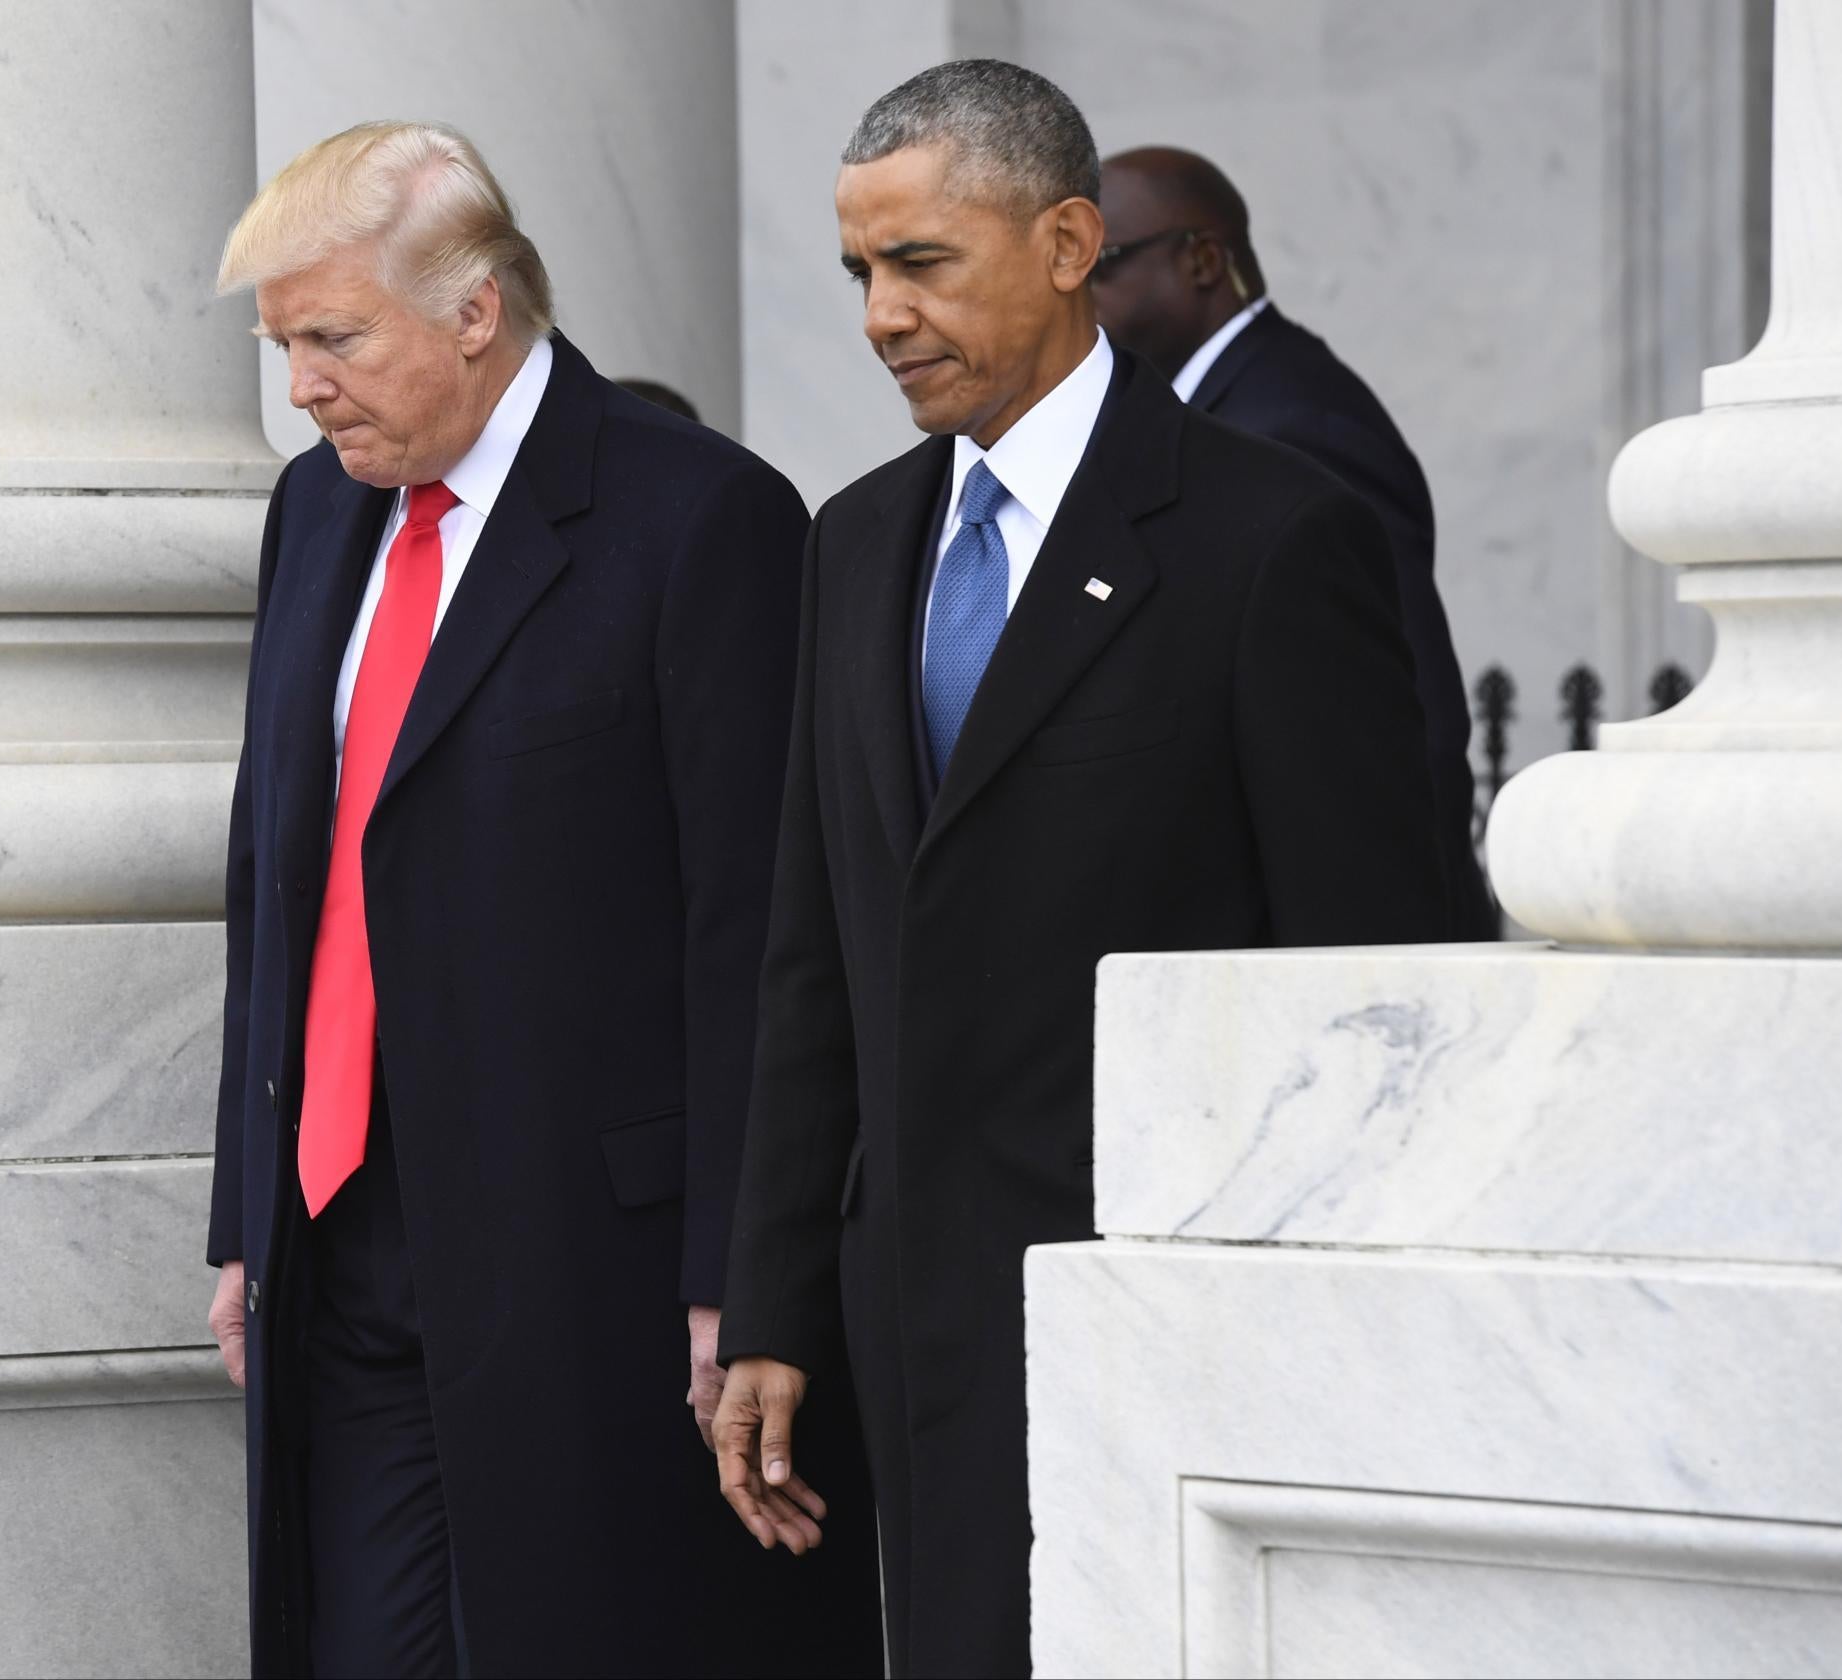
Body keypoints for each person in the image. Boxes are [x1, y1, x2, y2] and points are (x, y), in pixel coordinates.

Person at [710, 61, 1454, 1678]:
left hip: (1173, 1320)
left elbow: (1383, 973)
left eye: (921, 264)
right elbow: (812, 952)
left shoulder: (1273, 539)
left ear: (1063, 244)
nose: (881, 317)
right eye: (859, 273)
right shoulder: (852, 544)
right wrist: (768, 1302)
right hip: (914, 1323)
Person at [202, 121, 881, 1677]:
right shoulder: (317, 512)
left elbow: (758, 930)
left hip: (603, 1271)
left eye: (332, 338)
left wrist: (741, 1272)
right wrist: (251, 1211)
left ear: (474, 310)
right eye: (282, 344)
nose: (301, 385)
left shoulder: (698, 516)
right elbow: (277, 879)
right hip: (345, 1241)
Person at [1093, 145, 1495, 937]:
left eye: (1099, 264)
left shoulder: (1297, 427)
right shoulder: (1216, 411)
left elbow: (1407, 720)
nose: (1073, 296)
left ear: (1202, 258)